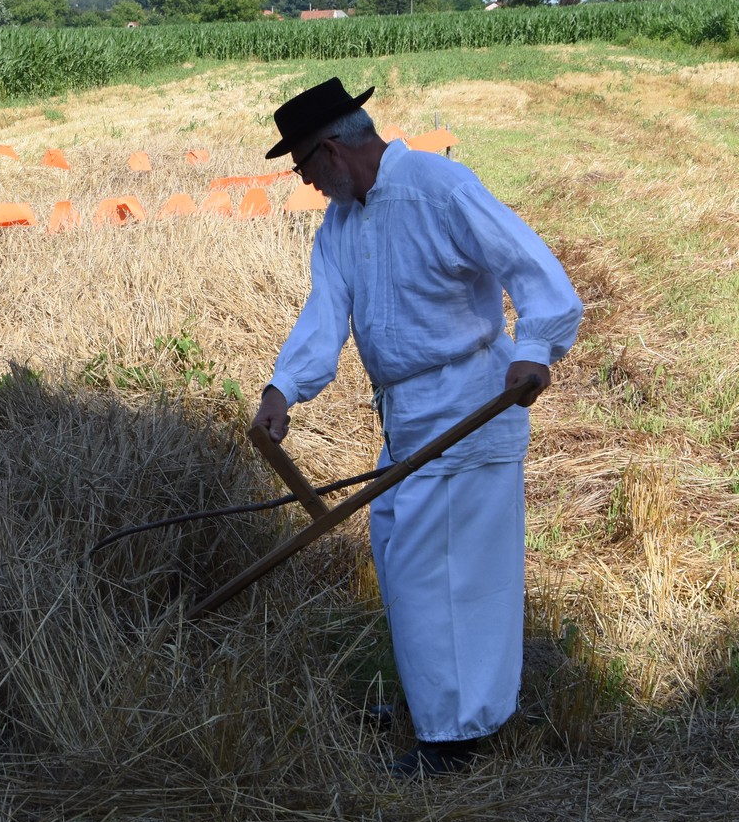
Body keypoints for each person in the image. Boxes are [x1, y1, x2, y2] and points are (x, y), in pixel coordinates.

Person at [250, 78, 584, 778]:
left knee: (452, 572)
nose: (306, 184)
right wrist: (284, 386)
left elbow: (532, 267)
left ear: (333, 149)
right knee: (404, 558)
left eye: (304, 167)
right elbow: (324, 314)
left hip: (470, 402)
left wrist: (532, 350)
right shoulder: (341, 226)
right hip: (405, 417)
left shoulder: (438, 186)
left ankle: (456, 741)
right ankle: (436, 706)